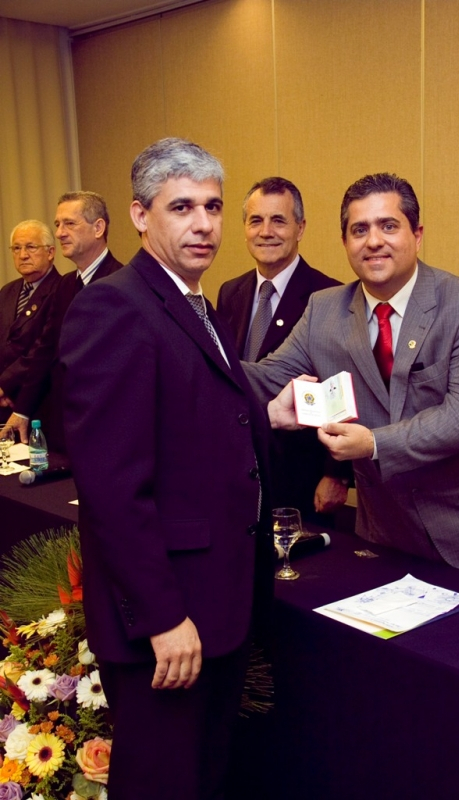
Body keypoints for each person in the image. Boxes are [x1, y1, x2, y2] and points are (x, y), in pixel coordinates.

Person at [59, 138, 273, 799]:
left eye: (212, 206)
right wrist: (162, 617)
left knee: (201, 778)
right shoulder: (115, 306)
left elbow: (197, 417)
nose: (203, 223)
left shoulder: (193, 303)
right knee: (162, 783)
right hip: (169, 619)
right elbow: (111, 487)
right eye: (181, 207)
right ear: (140, 215)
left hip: (214, 602)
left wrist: (272, 413)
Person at [244, 172, 459, 586]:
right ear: (345, 241)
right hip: (390, 533)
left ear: (417, 235)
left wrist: (373, 444)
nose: (374, 241)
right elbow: (269, 375)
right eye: (359, 230)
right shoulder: (323, 310)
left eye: (389, 226)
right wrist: (199, 354)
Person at [217, 177, 348, 521]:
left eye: (278, 220)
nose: (266, 232)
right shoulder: (230, 292)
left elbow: (341, 392)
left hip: (301, 474)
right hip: (241, 465)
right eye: (255, 221)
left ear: (300, 228)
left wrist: (336, 474)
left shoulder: (329, 296)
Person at [5, 192, 122, 452]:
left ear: (98, 228)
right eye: (57, 224)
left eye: (69, 223)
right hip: (62, 428)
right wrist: (22, 411)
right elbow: (45, 351)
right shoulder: (66, 285)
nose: (59, 233)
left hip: (105, 430)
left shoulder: (123, 283)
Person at [0, 220, 61, 421]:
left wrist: (4, 385)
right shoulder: (7, 291)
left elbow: (43, 349)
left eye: (31, 247)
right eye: (16, 248)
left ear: (50, 252)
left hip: (39, 404)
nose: (23, 255)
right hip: (3, 405)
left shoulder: (61, 290)